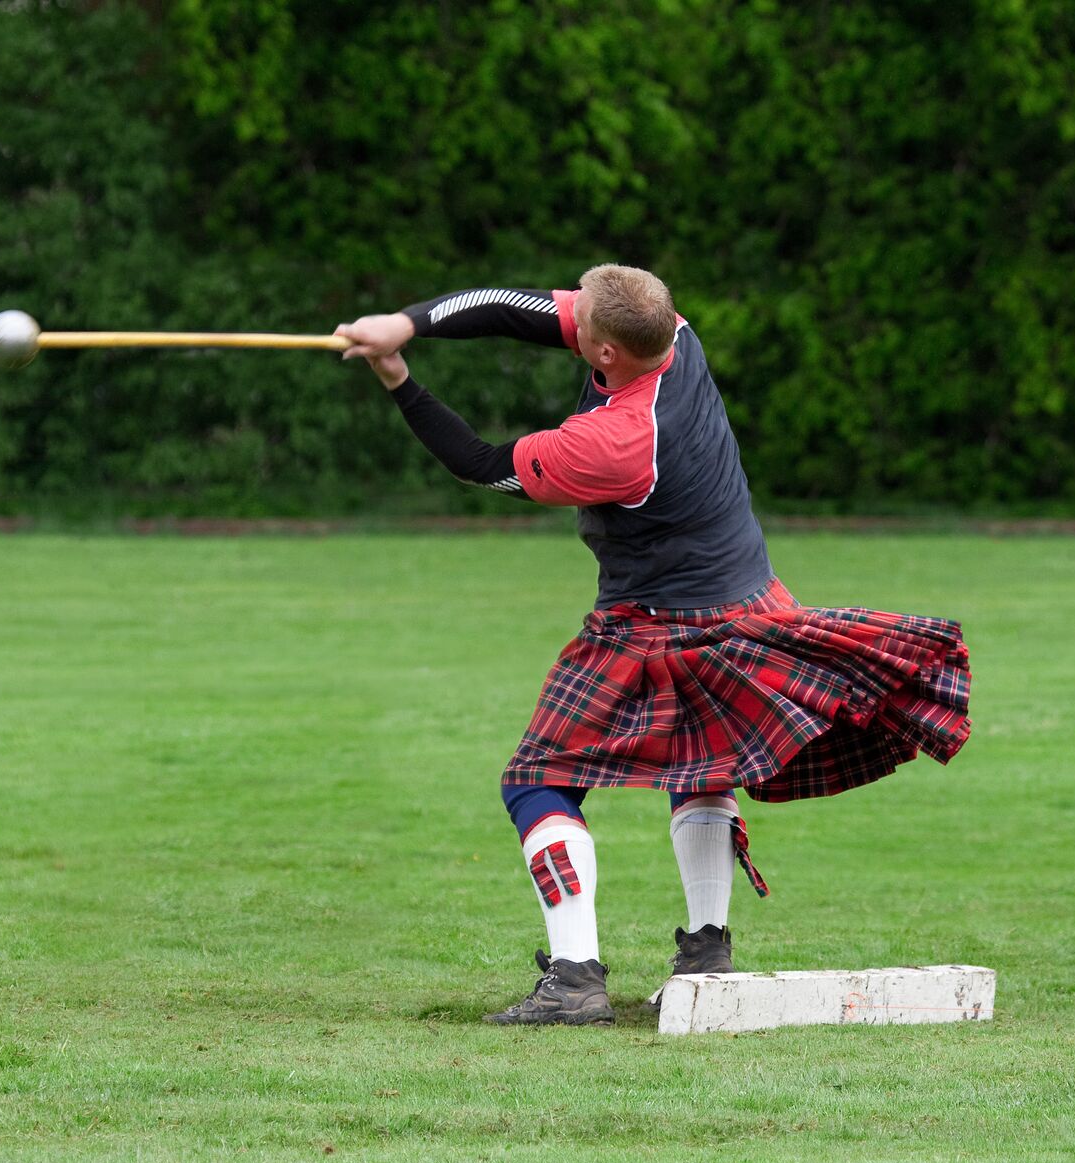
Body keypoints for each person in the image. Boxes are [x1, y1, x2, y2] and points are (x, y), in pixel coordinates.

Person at [336, 265, 970, 1025]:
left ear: (603, 352)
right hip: (749, 599)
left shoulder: (614, 441)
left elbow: (478, 463)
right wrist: (410, 320)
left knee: (537, 779)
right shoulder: (676, 336)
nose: (564, 311)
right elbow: (516, 310)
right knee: (704, 771)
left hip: (655, 622)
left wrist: (398, 375)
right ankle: (707, 954)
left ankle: (574, 980)